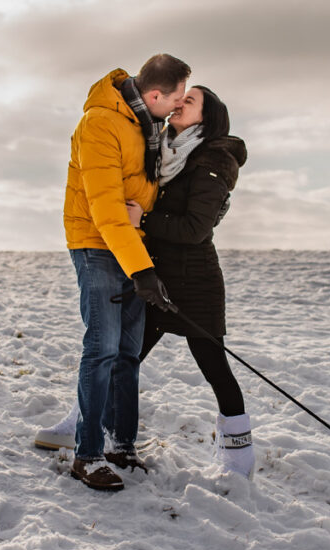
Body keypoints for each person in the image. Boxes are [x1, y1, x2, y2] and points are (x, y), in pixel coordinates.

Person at [62, 54, 190, 491]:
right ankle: (87, 455)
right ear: (154, 94)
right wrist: (143, 269)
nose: (177, 107)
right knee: (101, 350)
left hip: (134, 248)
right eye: (174, 100)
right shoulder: (100, 124)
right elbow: (106, 208)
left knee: (128, 354)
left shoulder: (147, 125)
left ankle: (122, 445)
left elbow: (143, 197)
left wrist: (146, 256)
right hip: (97, 246)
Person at [127, 85, 254, 479]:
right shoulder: (165, 154)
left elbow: (196, 228)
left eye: (190, 101)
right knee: (123, 358)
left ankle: (237, 460)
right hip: (158, 276)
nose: (179, 104)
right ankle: (82, 423)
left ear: (208, 117)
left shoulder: (214, 159)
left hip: (195, 283)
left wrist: (143, 221)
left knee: (214, 365)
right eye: (179, 99)